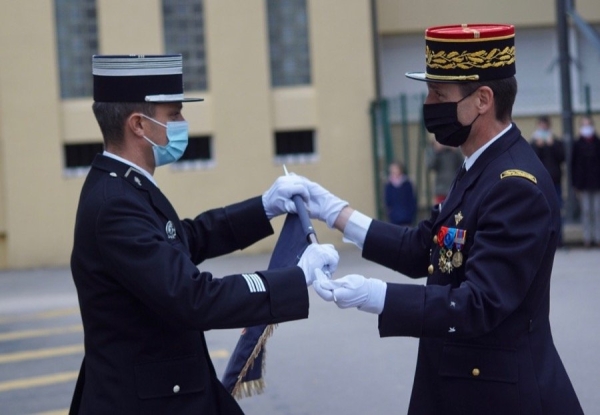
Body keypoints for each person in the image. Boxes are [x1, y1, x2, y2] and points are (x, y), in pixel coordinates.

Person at [302, 25, 583, 414]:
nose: (429, 103)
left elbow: (479, 304)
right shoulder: (479, 166)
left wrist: (377, 296)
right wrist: (338, 214)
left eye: (439, 94)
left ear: (483, 99)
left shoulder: (515, 186)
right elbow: (428, 248)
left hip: (498, 396)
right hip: (462, 384)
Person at [69, 54, 338, 415]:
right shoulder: (114, 204)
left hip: (169, 391)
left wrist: (263, 207)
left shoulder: (125, 189)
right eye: (174, 114)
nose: (183, 123)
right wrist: (294, 277)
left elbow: (185, 238)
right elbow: (191, 297)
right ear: (138, 124)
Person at [530, 115, 565, 244]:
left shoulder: (555, 141)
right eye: (541, 125)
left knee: (557, 209)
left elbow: (562, 157)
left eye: (545, 125)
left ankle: (559, 240)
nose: (543, 127)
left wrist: (553, 145)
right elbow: (530, 160)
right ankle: (543, 240)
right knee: (541, 211)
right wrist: (538, 146)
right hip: (539, 182)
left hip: (555, 181)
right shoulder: (533, 142)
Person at [571, 115, 600, 248]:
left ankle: (598, 237)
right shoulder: (577, 144)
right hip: (583, 184)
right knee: (586, 211)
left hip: (597, 183)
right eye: (584, 124)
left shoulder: (597, 143)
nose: (586, 127)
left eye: (588, 124)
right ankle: (587, 239)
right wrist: (575, 184)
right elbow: (574, 165)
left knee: (597, 211)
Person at [426, 138, 464, 205]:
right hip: (441, 189)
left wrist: (456, 150)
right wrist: (436, 151)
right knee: (441, 212)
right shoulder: (434, 149)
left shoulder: (453, 149)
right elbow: (430, 165)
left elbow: (462, 163)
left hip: (454, 187)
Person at [384, 161, 417, 226]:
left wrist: (411, 212)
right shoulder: (389, 185)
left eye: (396, 169)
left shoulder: (407, 184)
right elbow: (388, 201)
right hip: (394, 217)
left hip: (407, 217)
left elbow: (411, 199)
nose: (394, 171)